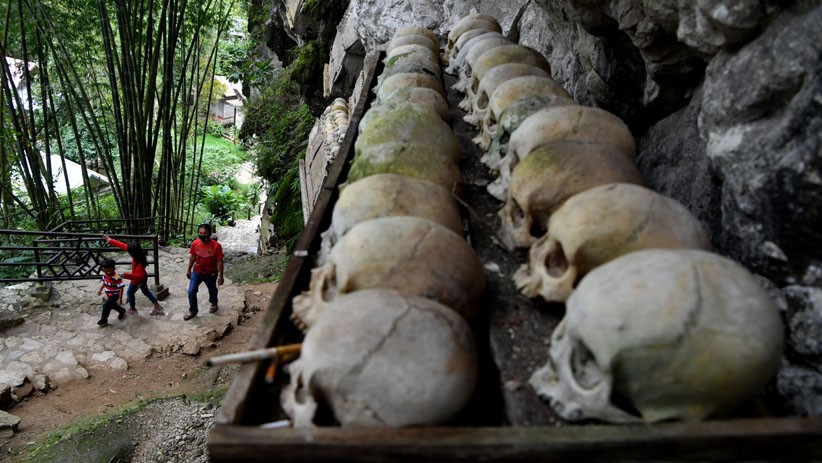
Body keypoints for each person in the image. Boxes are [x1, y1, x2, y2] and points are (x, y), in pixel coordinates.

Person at [103, 234, 165, 316]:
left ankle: (133, 308)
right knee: (146, 291)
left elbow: (139, 276)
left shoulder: (138, 263)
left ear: (133, 253)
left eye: (129, 251)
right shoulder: (138, 255)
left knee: (130, 292)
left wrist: (126, 275)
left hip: (138, 280)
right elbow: (123, 245)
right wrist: (111, 240)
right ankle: (157, 306)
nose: (127, 251)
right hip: (142, 279)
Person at [184, 223, 224, 321]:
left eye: (205, 233)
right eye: (200, 233)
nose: (202, 235)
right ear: (198, 233)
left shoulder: (216, 246)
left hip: (211, 273)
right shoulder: (195, 243)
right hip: (197, 271)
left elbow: (219, 261)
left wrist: (220, 276)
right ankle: (193, 310)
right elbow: (193, 256)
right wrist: (189, 269)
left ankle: (214, 303)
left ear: (209, 233)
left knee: (212, 290)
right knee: (191, 290)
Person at [96, 258, 127, 327]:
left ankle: (103, 320)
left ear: (113, 268)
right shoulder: (105, 275)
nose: (107, 272)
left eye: (109, 270)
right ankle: (122, 311)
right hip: (109, 293)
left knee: (106, 305)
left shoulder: (116, 276)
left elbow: (121, 287)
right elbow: (104, 282)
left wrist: (120, 298)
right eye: (105, 270)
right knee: (112, 305)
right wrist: (100, 289)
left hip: (115, 294)